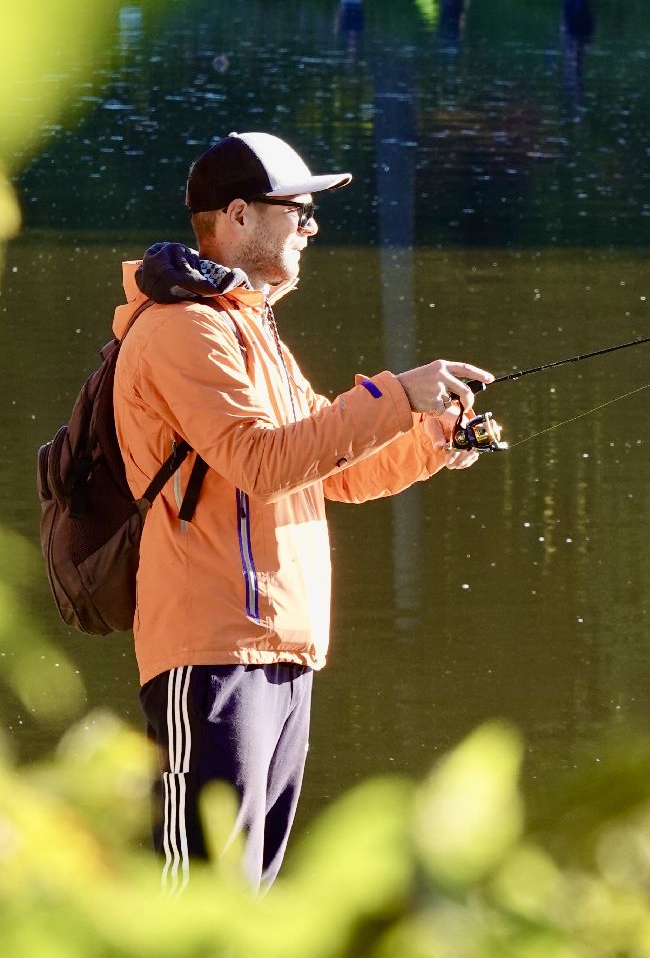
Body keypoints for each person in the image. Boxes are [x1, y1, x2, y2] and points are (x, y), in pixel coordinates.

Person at [111, 131, 493, 890]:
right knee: (203, 898)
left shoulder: (252, 330)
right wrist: (395, 395)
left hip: (281, 648)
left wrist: (429, 437)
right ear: (239, 216)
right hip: (211, 646)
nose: (312, 228)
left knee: (250, 896)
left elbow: (328, 470)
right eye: (299, 211)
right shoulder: (185, 328)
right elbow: (262, 462)